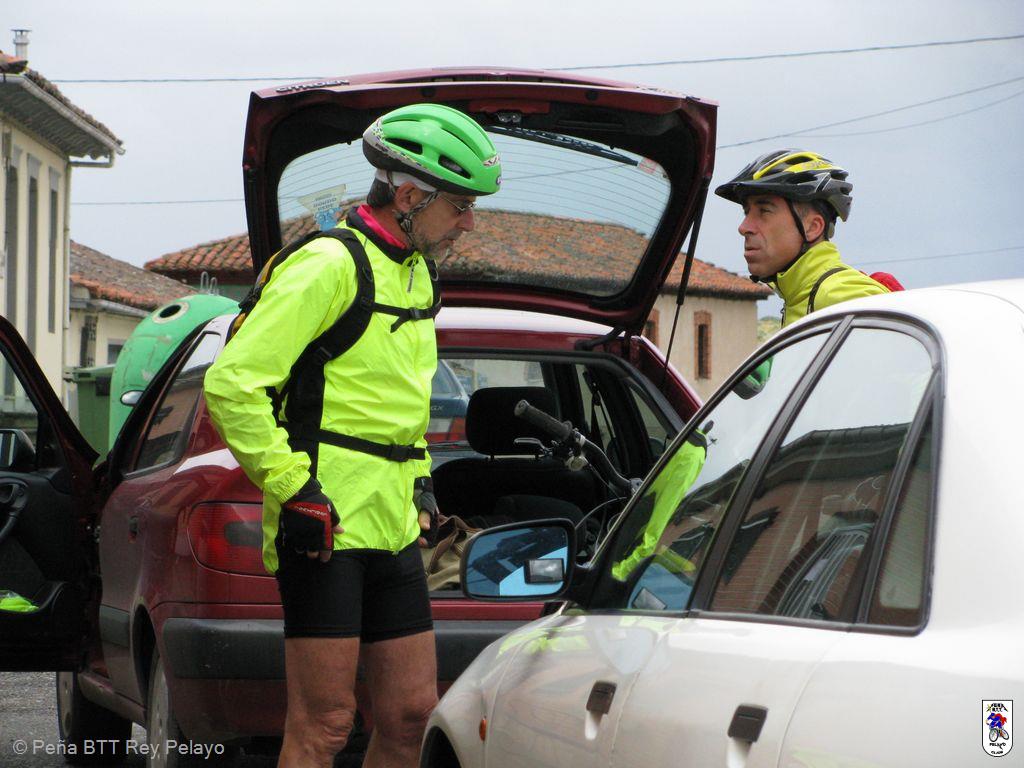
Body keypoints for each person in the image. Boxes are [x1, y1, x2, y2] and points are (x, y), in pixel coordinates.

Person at [203, 103, 501, 768]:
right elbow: (232, 385)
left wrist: (421, 483)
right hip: (325, 525)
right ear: (409, 197)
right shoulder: (327, 264)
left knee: (410, 717)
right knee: (325, 725)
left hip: (391, 526)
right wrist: (294, 488)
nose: (469, 223)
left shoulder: (418, 272)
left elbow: (395, 400)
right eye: (460, 206)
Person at [715, 149, 889, 326]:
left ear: (812, 227)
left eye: (764, 211)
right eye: (746, 212)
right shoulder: (800, 297)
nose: (744, 228)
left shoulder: (842, 298)